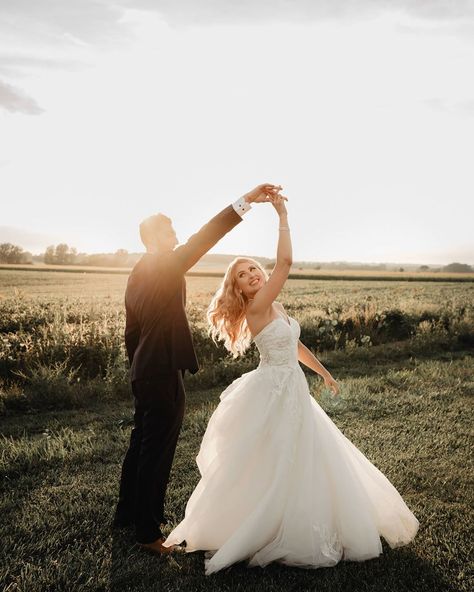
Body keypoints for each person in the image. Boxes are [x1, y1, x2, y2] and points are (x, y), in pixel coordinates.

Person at [163, 192, 419, 574]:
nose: (251, 275)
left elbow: (294, 345)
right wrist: (282, 215)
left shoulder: (275, 307)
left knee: (303, 453)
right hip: (273, 390)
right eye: (242, 275)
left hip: (292, 384)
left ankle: (301, 514)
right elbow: (285, 262)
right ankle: (265, 525)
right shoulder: (258, 306)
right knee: (278, 457)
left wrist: (323, 372)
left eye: (252, 269)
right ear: (238, 289)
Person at [113, 183, 283, 555]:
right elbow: (208, 235)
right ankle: (147, 533)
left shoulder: (137, 272)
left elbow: (132, 330)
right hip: (160, 372)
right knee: (156, 450)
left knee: (140, 443)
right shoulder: (165, 263)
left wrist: (135, 368)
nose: (177, 237)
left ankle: (126, 514)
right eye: (171, 231)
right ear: (156, 237)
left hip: (144, 370)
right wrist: (246, 201)